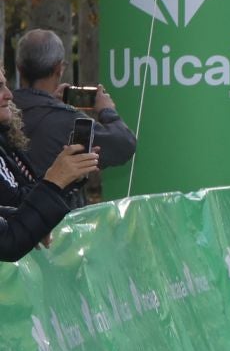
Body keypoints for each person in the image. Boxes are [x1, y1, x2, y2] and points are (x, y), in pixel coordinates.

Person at [12, 30, 137, 202]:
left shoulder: (7, 111)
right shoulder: (70, 122)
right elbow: (123, 145)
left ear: (19, 67)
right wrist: (107, 111)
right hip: (56, 222)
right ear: (58, 68)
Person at [0, 74, 97, 261]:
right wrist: (55, 181)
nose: (9, 94)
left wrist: (64, 177)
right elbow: (9, 241)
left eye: (6, 85)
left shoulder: (7, 137)